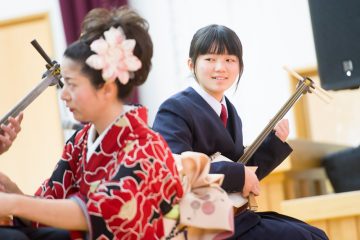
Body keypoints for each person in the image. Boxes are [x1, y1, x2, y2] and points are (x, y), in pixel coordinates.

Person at [0, 7, 183, 240]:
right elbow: (47, 207)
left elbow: (101, 214)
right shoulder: (79, 142)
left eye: (72, 84)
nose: (63, 95)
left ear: (106, 87)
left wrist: (13, 202)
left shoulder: (147, 148)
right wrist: (10, 187)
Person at [153, 24, 328, 240]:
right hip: (200, 225)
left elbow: (242, 170)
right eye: (209, 59)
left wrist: (274, 144)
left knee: (316, 235)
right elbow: (174, 171)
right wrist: (237, 174)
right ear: (191, 64)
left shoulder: (230, 110)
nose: (220, 67)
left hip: (234, 215)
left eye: (229, 60)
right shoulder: (175, 109)